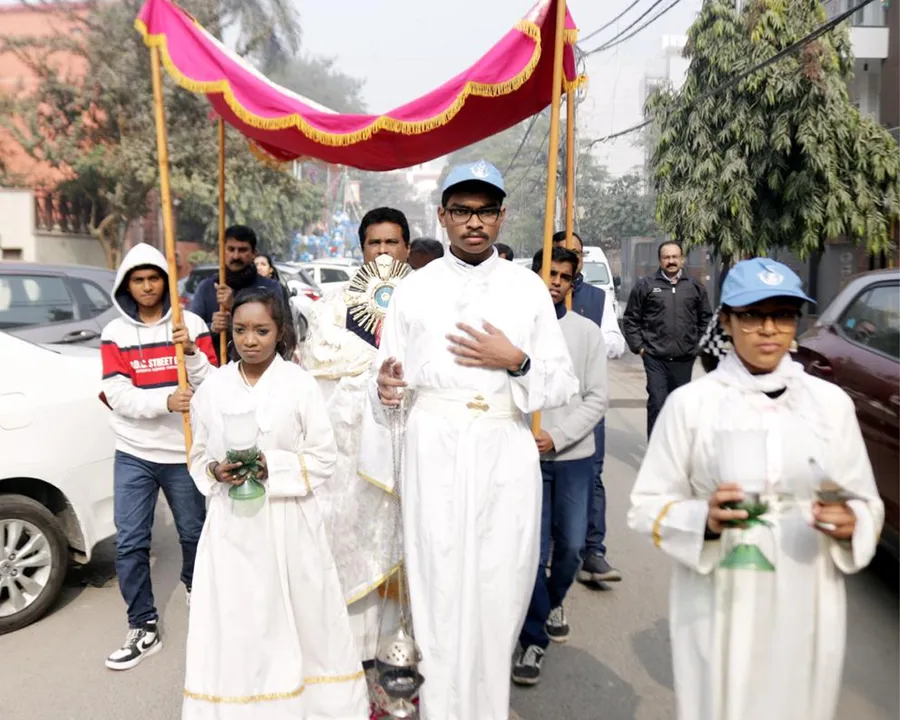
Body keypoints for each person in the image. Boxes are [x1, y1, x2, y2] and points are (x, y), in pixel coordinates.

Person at [627, 258, 883, 720]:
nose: (769, 329)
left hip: (806, 591)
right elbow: (646, 506)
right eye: (752, 315)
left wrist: (853, 522)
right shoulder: (692, 406)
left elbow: (865, 501)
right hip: (720, 597)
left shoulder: (830, 406)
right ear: (726, 319)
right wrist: (702, 520)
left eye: (783, 315)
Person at [372, 160, 578, 720]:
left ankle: (487, 707)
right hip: (433, 444)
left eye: (485, 210)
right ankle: (440, 708)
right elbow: (384, 381)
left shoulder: (527, 288)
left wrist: (516, 361)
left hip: (502, 446)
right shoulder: (414, 291)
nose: (473, 222)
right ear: (441, 216)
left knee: (499, 586)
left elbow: (561, 382)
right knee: (438, 584)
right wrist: (384, 387)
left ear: (502, 216)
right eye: (461, 210)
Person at [184, 287, 368, 719]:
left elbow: (323, 458)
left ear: (280, 331)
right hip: (232, 527)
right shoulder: (212, 389)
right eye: (242, 330)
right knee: (237, 620)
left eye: (262, 330)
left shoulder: (300, 385)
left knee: (297, 619)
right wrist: (214, 472)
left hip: (288, 525)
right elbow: (198, 455)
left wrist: (274, 467)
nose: (250, 340)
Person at [300, 206, 410, 707]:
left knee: (403, 565)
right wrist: (370, 378)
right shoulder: (335, 306)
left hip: (408, 455)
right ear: (361, 249)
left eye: (392, 243)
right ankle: (346, 678)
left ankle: (398, 676)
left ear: (407, 247)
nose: (383, 253)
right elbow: (318, 371)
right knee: (349, 572)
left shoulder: (424, 302)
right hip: (347, 467)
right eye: (374, 244)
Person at [100, 243, 217, 671]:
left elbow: (214, 383)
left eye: (155, 278)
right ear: (127, 285)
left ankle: (194, 585)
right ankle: (142, 625)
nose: (148, 286)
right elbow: (116, 393)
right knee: (130, 541)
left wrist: (190, 353)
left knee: (193, 532)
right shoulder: (114, 333)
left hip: (184, 450)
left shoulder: (192, 324)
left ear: (167, 282)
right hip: (134, 452)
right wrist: (165, 401)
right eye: (139, 279)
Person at [512, 247, 607, 686]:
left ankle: (550, 602)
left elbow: (597, 399)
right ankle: (533, 639)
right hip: (523, 459)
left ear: (572, 283)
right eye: (548, 272)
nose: (555, 281)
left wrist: (558, 435)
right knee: (530, 552)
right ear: (534, 274)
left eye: (564, 276)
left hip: (571, 457)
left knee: (569, 547)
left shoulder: (586, 333)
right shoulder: (513, 331)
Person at [552, 230, 626, 584]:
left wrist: (590, 339)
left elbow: (615, 340)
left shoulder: (596, 297)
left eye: (575, 255)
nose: (561, 278)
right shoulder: (534, 299)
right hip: (547, 411)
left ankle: (593, 551)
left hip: (585, 405)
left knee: (591, 478)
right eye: (563, 254)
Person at [622, 240, 711, 438]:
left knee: (680, 407)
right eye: (666, 257)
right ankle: (656, 451)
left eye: (674, 257)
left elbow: (706, 319)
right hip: (655, 357)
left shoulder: (695, 287)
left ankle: (677, 452)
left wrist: (697, 346)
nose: (671, 261)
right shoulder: (646, 286)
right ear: (660, 261)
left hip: (684, 358)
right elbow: (631, 319)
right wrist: (640, 348)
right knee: (657, 401)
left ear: (682, 259)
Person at [190, 225, 282, 362]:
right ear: (222, 251)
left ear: (254, 253)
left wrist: (234, 306)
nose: (236, 256)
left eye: (243, 250)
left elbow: (282, 330)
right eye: (231, 249)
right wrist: (213, 327)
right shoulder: (206, 288)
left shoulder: (270, 288)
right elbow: (192, 332)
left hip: (260, 369)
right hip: (215, 369)